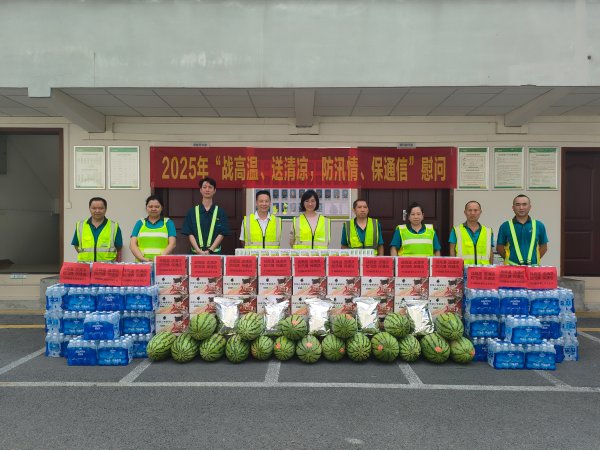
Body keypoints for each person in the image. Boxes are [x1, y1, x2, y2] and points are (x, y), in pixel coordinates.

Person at [182, 177, 231, 254]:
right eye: (204, 187)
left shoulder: (220, 212)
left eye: (210, 187)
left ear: (214, 190)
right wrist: (198, 250)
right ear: (200, 190)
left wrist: (210, 250)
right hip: (196, 254)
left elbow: (222, 233)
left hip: (214, 254)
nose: (207, 190)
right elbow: (189, 233)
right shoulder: (192, 212)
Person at [496, 194, 548, 265]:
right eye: (518, 205)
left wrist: (534, 259)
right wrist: (510, 259)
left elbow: (544, 247)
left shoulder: (539, 225)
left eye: (524, 204)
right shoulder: (505, 226)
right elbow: (499, 248)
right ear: (513, 208)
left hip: (532, 268)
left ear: (530, 207)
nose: (521, 208)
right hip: (511, 268)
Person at [72, 197, 123, 262]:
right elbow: (76, 245)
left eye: (101, 208)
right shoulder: (80, 225)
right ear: (89, 209)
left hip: (106, 266)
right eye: (94, 208)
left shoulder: (114, 226)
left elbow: (119, 247)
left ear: (106, 209)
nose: (97, 211)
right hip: (85, 265)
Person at [129, 195, 177, 261]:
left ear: (162, 208)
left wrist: (158, 259)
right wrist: (143, 259)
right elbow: (132, 244)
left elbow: (173, 244)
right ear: (146, 208)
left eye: (157, 207)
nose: (153, 209)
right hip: (142, 263)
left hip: (162, 263)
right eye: (150, 206)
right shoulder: (140, 223)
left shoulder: (168, 223)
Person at [449, 200, 494, 265]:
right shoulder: (456, 230)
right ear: (465, 212)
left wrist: (491, 268)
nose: (472, 213)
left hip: (483, 269)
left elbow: (490, 253)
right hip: (463, 269)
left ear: (480, 212)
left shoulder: (488, 232)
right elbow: (452, 251)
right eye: (470, 210)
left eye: (475, 210)